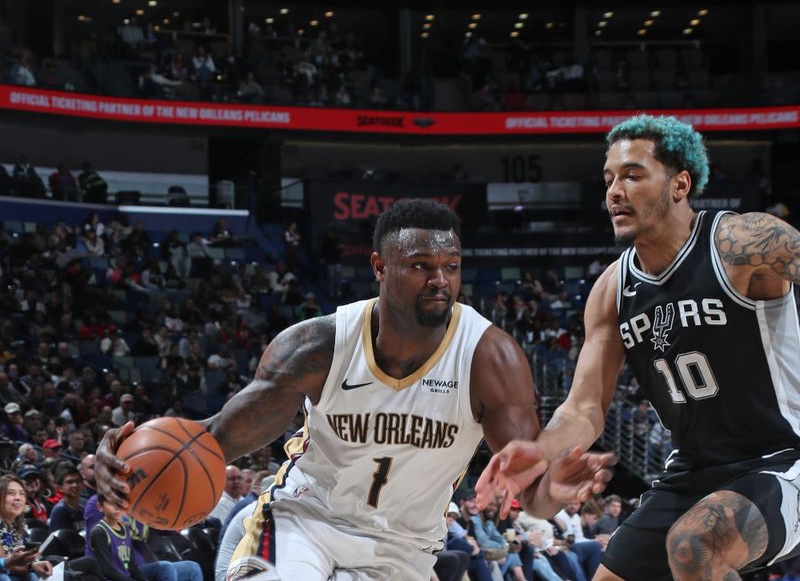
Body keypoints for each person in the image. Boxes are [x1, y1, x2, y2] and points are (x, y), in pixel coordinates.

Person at [95, 199, 613, 581]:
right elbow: (209, 443)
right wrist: (122, 468)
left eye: (450, 267)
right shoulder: (317, 347)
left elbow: (528, 492)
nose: (440, 281)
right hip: (305, 524)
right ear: (379, 267)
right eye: (420, 267)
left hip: (404, 551)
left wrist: (553, 494)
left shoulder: (488, 358)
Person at [477, 114, 800, 580]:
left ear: (680, 184)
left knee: (696, 543)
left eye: (632, 175)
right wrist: (540, 448)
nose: (614, 191)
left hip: (782, 461)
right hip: (691, 472)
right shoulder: (612, 289)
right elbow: (584, 409)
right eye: (608, 179)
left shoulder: (742, 243)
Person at [0, 475, 53, 581]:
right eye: (11, 493)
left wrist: (32, 565)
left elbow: (19, 564)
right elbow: (5, 564)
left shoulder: (20, 524)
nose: (18, 498)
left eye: (22, 494)